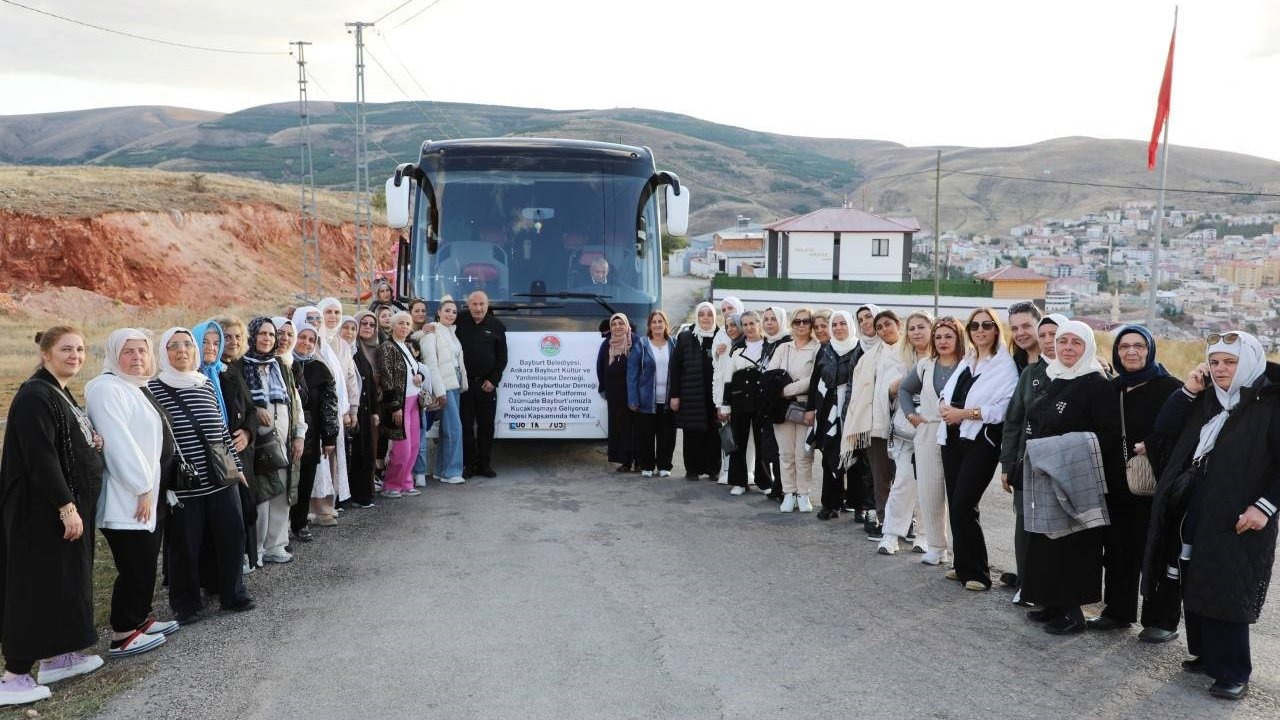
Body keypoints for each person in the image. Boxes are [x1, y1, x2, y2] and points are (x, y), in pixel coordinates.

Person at [1144, 330, 1280, 701]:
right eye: (1215, 361)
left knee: (1228, 586)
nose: (1221, 369)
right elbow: (1164, 428)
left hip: (1241, 512)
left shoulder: (1268, 402)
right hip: (1196, 505)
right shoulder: (1208, 399)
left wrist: (1264, 507)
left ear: (1249, 362)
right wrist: (1188, 389)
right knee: (1195, 577)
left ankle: (1233, 670)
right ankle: (1206, 655)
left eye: (1230, 362)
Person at [0, 327, 105, 705]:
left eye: (80, 348)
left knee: (63, 582)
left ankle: (60, 655)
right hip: (40, 514)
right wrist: (66, 506)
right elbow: (40, 457)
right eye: (66, 349)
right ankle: (14, 675)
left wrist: (92, 440)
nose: (75, 355)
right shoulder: (34, 395)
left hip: (61, 512)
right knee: (36, 587)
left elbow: (67, 441)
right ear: (46, 354)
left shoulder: (57, 391)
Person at [1076, 324, 1184, 640]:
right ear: (1116, 352)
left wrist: (1152, 443)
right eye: (1125, 347)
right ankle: (1118, 612)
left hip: (1155, 486)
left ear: (1150, 350)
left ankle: (1160, 622)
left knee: (1158, 552)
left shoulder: (1171, 389)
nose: (1132, 352)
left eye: (1139, 346)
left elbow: (1184, 432)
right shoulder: (1113, 389)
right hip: (1116, 484)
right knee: (1118, 550)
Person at [1021, 321, 1122, 634]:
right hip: (1045, 473)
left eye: (1075, 343)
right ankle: (1051, 602)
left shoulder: (1096, 384)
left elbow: (1107, 434)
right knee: (1046, 540)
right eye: (1062, 342)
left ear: (1088, 347)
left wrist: (1057, 448)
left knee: (1073, 545)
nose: (1067, 348)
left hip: (1074, 476)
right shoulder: (1056, 377)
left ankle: (1072, 612)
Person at [149, 327, 254, 624]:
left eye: (187, 345)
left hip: (220, 478)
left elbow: (221, 431)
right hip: (185, 484)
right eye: (174, 346)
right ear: (164, 352)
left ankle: (233, 593)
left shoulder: (205, 383)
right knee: (185, 545)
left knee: (232, 535)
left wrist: (237, 468)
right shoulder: (155, 389)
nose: (182, 351)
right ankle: (186, 604)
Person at [85, 328, 176, 659]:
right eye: (129, 351)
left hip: (147, 494)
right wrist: (142, 487)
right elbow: (119, 444)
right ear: (113, 355)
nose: (137, 357)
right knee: (134, 563)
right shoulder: (105, 389)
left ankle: (140, 619)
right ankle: (123, 632)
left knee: (146, 559)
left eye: (142, 351)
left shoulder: (133, 387)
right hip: (129, 496)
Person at [937, 307, 1018, 591]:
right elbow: (947, 392)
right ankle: (962, 566)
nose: (980, 330)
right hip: (952, 439)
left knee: (963, 504)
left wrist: (966, 414)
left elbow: (1003, 409)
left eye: (987, 325)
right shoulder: (968, 360)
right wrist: (945, 406)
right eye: (975, 326)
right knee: (955, 503)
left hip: (981, 443)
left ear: (996, 329)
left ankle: (979, 574)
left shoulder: (1004, 366)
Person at [999, 311, 1064, 603]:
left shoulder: (1086, 371)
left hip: (1064, 465)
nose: (1049, 341)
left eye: (1056, 335)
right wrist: (1007, 463)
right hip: (1027, 460)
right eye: (1045, 336)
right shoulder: (1030, 373)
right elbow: (1013, 420)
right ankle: (1027, 583)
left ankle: (1053, 589)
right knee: (1025, 520)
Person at [898, 317, 966, 565]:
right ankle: (936, 547)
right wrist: (911, 415)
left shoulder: (969, 365)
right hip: (928, 432)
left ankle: (965, 554)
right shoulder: (926, 365)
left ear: (959, 338)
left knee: (960, 496)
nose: (943, 341)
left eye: (949, 336)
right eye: (938, 337)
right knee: (930, 492)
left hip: (960, 433)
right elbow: (904, 390)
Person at [843, 309, 903, 541]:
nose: (884, 330)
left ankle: (906, 521)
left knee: (905, 477)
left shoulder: (912, 352)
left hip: (907, 425)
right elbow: (859, 391)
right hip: (876, 424)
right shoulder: (869, 357)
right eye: (879, 327)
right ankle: (884, 520)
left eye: (888, 324)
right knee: (881, 477)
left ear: (898, 324)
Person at [877, 311, 933, 553]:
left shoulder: (946, 356)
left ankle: (925, 535)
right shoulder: (898, 357)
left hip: (933, 430)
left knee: (929, 487)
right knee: (902, 482)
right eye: (912, 328)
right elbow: (887, 391)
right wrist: (911, 377)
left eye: (922, 327)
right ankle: (891, 534)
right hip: (905, 429)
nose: (917, 332)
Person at [242, 318, 296, 565]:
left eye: (272, 335)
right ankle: (258, 549)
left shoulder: (280, 366)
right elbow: (241, 403)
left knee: (281, 495)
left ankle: (277, 544)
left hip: (282, 443)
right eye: (262, 334)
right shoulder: (242, 367)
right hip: (258, 446)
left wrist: (300, 435)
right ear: (252, 336)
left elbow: (294, 403)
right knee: (262, 497)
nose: (267, 339)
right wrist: (254, 410)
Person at [211, 316, 259, 571]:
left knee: (247, 502)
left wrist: (248, 433)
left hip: (243, 448)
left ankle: (249, 556)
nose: (233, 341)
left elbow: (250, 409)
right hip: (223, 451)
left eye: (237, 337)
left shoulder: (237, 367)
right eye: (226, 336)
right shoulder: (210, 370)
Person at [806, 311, 859, 519]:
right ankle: (830, 504)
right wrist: (810, 408)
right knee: (829, 455)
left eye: (842, 323)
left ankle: (857, 505)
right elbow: (814, 380)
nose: (838, 328)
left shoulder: (859, 348)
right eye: (834, 324)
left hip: (852, 407)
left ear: (850, 325)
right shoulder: (825, 349)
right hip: (827, 408)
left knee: (854, 455)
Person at [768, 306, 819, 512]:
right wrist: (783, 392)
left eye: (805, 321)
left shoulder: (817, 349)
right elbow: (770, 375)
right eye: (797, 321)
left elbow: (814, 379)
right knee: (786, 453)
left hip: (806, 408)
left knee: (804, 454)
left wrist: (787, 389)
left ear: (811, 324)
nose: (801, 325)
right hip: (782, 409)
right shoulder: (783, 349)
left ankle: (803, 493)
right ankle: (788, 493)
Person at [669, 302, 727, 482]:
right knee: (692, 433)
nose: (706, 318)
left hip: (714, 394)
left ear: (714, 316)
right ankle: (692, 469)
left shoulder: (721, 336)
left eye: (709, 314)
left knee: (714, 432)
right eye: (702, 314)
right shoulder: (686, 337)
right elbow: (676, 368)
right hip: (691, 393)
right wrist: (675, 395)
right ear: (697, 316)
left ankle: (713, 469)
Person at [291, 324, 339, 538]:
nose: (306, 343)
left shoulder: (320, 368)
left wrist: (329, 437)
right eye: (302, 337)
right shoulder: (283, 363)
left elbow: (329, 405)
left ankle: (300, 524)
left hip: (312, 434)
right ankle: (280, 528)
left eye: (312, 339)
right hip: (286, 432)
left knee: (305, 480)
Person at [378, 311, 433, 497]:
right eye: (401, 323)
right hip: (400, 402)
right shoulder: (386, 347)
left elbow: (417, 370)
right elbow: (387, 378)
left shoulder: (407, 347)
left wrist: (421, 376)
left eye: (408, 324)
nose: (405, 327)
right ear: (393, 325)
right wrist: (394, 406)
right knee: (403, 447)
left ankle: (406, 482)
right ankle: (391, 485)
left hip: (414, 401)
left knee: (415, 445)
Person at [718, 310, 771, 496]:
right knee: (738, 441)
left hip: (761, 402)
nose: (748, 328)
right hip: (739, 401)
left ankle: (764, 481)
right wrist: (725, 405)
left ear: (759, 324)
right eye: (745, 324)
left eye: (752, 323)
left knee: (762, 442)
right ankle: (738, 481)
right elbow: (728, 378)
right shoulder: (736, 348)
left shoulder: (769, 347)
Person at [456, 290, 507, 478]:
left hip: (487, 386)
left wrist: (493, 381)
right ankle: (468, 464)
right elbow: (440, 327)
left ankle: (484, 464)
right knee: (466, 426)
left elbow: (502, 358)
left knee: (486, 426)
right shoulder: (458, 321)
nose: (478, 308)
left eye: (482, 304)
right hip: (464, 385)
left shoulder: (496, 326)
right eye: (474, 304)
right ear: (468, 305)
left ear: (487, 305)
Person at [317, 298, 358, 515]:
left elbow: (350, 379)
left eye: (336, 312)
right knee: (323, 457)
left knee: (335, 456)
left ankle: (331, 502)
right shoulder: (315, 340)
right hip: (321, 411)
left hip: (339, 411)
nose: (332, 316)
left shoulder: (342, 344)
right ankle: (319, 505)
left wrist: (352, 409)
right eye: (328, 311)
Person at [421, 298, 468, 484]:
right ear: (439, 312)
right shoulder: (431, 332)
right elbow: (431, 364)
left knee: (448, 428)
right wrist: (439, 391)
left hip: (455, 382)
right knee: (455, 428)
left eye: (454, 312)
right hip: (444, 386)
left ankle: (441, 470)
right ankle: (452, 472)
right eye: (447, 310)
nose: (451, 314)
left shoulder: (451, 333)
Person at [628, 310, 676, 478]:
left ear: (665, 324)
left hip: (669, 400)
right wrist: (633, 399)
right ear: (649, 325)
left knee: (667, 436)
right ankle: (647, 466)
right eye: (654, 322)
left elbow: (679, 372)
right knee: (645, 436)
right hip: (646, 400)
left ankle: (664, 465)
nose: (657, 324)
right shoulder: (642, 344)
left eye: (660, 321)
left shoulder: (674, 344)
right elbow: (632, 373)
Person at [756, 306, 790, 498]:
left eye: (773, 319)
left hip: (780, 402)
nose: (769, 323)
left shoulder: (786, 343)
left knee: (783, 449)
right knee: (772, 448)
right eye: (766, 319)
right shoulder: (767, 343)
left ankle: (785, 489)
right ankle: (778, 486)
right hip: (766, 402)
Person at [346, 311, 380, 506]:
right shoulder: (352, 349)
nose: (367, 327)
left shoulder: (373, 348)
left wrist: (374, 411)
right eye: (363, 323)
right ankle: (356, 494)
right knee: (357, 452)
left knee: (367, 451)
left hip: (368, 409)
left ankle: (365, 493)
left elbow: (370, 384)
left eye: (371, 324)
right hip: (354, 409)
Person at [598, 313, 638, 472]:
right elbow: (600, 366)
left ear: (627, 325)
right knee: (619, 427)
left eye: (621, 323)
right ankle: (625, 462)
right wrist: (602, 387)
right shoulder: (607, 344)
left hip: (633, 393)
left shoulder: (635, 341)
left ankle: (639, 461)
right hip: (614, 394)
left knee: (634, 427)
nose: (618, 327)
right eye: (614, 324)